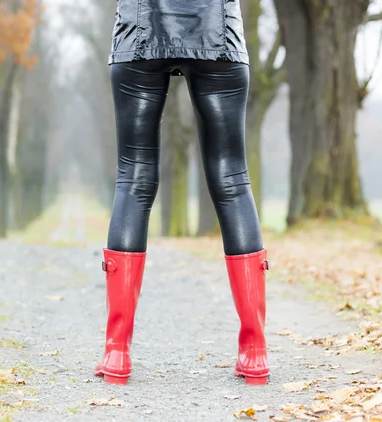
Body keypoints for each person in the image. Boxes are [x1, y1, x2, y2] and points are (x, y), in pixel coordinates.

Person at [94, 0, 270, 386]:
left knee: (134, 179)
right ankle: (254, 351)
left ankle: (117, 351)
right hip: (219, 32)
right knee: (233, 181)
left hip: (140, 31)